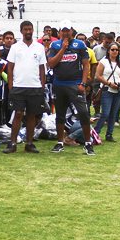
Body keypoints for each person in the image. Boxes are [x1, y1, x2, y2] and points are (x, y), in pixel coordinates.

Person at [47, 27, 94, 155]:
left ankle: (88, 143)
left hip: (75, 84)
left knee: (83, 113)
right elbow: (51, 63)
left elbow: (86, 65)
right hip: (59, 84)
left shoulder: (79, 44)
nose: (66, 33)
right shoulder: (55, 44)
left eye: (68, 30)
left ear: (72, 31)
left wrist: (83, 83)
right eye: (64, 30)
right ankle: (60, 142)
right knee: (60, 114)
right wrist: (63, 48)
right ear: (60, 32)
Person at [5, 20, 47, 153]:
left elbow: (42, 68)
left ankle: (29, 143)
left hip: (35, 86)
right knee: (18, 114)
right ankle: (12, 143)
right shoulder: (15, 47)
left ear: (33, 30)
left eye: (30, 29)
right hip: (18, 86)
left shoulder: (39, 47)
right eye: (26, 29)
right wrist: (11, 85)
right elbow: (10, 68)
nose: (28, 32)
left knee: (31, 115)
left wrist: (42, 85)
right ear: (21, 31)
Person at [93, 43, 120, 141]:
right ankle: (95, 132)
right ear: (108, 51)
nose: (115, 51)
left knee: (113, 114)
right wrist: (109, 83)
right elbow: (98, 76)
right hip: (107, 89)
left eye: (116, 50)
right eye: (112, 49)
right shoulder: (103, 62)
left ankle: (109, 134)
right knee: (105, 113)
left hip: (118, 90)